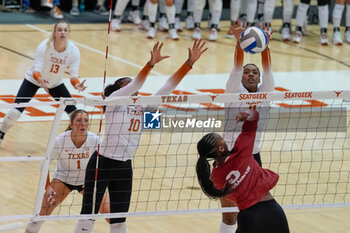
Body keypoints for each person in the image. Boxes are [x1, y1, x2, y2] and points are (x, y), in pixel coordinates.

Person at [74, 39, 208, 233]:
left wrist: (189, 64)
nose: (134, 88)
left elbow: (168, 86)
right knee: (89, 215)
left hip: (124, 166)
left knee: (119, 220)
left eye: (134, 88)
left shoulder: (142, 107)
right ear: (120, 89)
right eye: (127, 86)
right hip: (101, 164)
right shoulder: (113, 102)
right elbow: (137, 81)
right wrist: (150, 64)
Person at [195, 110, 290, 233]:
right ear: (221, 148)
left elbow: (229, 194)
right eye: (222, 139)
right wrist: (248, 116)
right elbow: (254, 121)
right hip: (272, 211)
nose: (224, 140)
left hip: (247, 217)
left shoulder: (217, 178)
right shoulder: (242, 151)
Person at [221, 19, 275, 232]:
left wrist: (266, 47)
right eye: (247, 72)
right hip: (230, 157)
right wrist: (238, 44)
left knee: (253, 210)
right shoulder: (233, 91)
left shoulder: (265, 94)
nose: (251, 74)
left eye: (255, 72)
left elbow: (269, 72)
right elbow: (236, 68)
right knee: (230, 215)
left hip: (254, 156)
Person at [0, 20, 86, 148]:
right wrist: (40, 79)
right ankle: (1, 133)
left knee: (75, 114)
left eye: (65, 30)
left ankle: (72, 140)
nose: (62, 32)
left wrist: (77, 84)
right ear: (54, 33)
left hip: (55, 83)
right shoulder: (45, 46)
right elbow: (36, 70)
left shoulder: (74, 51)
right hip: (33, 80)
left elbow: (73, 75)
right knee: (15, 112)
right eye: (59, 30)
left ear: (69, 33)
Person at [24, 109, 110, 233]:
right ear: (71, 124)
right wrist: (48, 186)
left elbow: (106, 161)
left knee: (111, 213)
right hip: (63, 180)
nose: (83, 124)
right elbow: (45, 163)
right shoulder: (61, 140)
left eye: (86, 120)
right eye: (78, 121)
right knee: (43, 213)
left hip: (87, 182)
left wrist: (96, 180)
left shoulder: (94, 139)